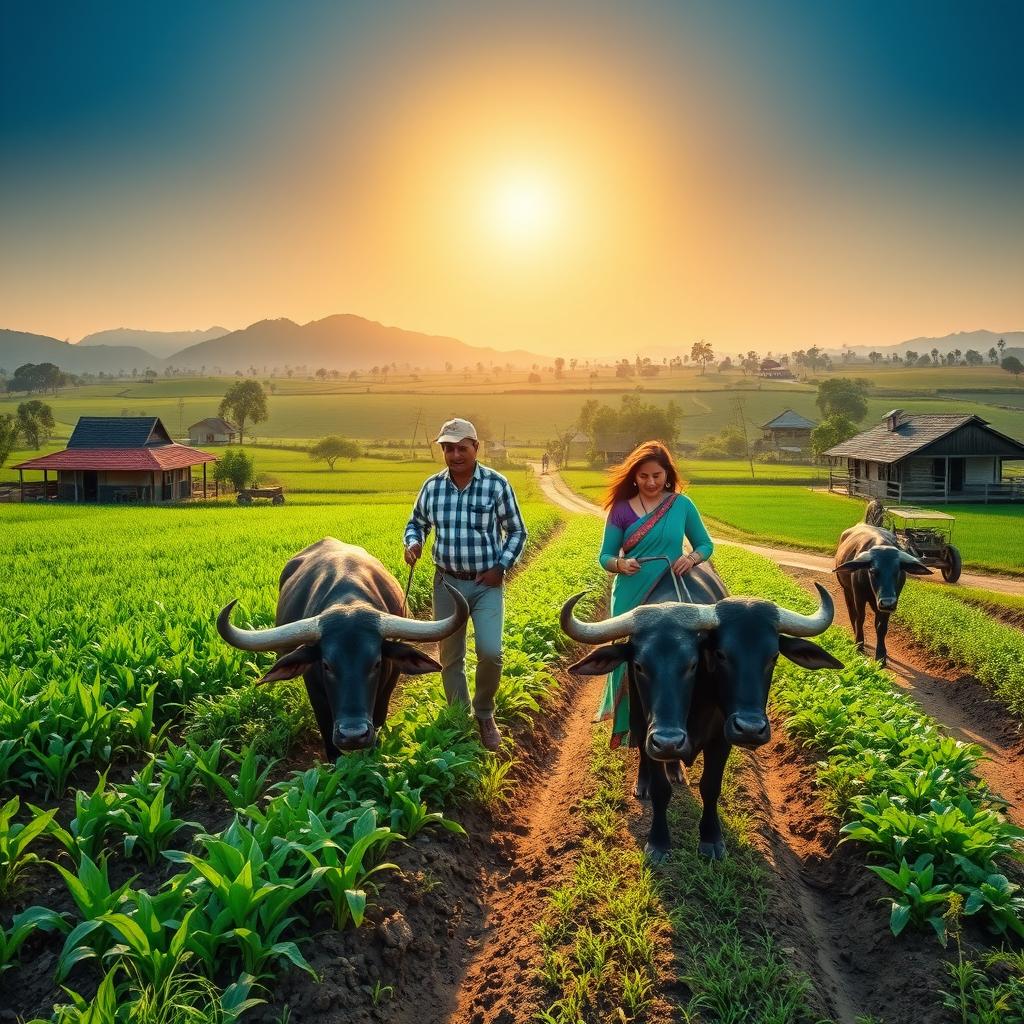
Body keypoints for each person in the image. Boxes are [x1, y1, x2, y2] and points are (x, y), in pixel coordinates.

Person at [404, 418, 528, 751]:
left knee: (491, 652)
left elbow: (517, 531)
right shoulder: (432, 487)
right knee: (450, 656)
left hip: (486, 583)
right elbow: (416, 523)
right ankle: (459, 716)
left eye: (462, 448)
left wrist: (501, 566)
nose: (455, 455)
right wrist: (413, 542)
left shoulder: (496, 484)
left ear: (476, 447)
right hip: (446, 582)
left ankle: (484, 712)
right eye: (448, 448)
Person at [596, 440, 713, 749]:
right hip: (631, 592)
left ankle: (681, 725)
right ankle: (631, 728)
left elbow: (705, 544)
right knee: (631, 661)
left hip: (674, 587)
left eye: (657, 476)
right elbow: (605, 557)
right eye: (644, 476)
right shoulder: (620, 510)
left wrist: (692, 558)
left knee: (681, 661)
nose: (650, 482)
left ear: (667, 475)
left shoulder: (681, 505)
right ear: (634, 476)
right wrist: (621, 564)